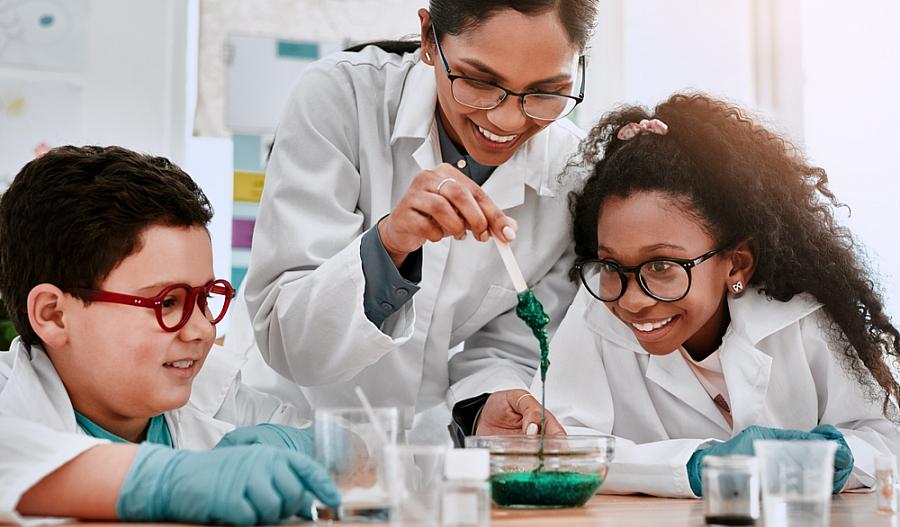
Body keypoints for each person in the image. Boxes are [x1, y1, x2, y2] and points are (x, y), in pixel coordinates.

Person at [232, 0, 598, 442]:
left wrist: (489, 398)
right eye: (480, 82)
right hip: (293, 432)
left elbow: (506, 349)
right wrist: (389, 243)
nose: (507, 120)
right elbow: (289, 338)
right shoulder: (340, 98)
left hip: (426, 453)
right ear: (429, 39)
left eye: (546, 91)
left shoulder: (572, 176)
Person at [531, 93, 900, 497]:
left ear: (736, 264)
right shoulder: (597, 309)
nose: (632, 299)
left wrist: (841, 455)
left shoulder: (802, 315)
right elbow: (556, 447)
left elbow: (886, 440)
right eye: (612, 265)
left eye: (661, 267)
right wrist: (696, 465)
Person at [0, 146, 340, 524]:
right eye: (166, 303)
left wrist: (312, 447)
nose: (202, 329)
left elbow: (364, 457)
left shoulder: (217, 391)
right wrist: (166, 479)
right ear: (55, 315)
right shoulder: (9, 400)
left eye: (205, 298)